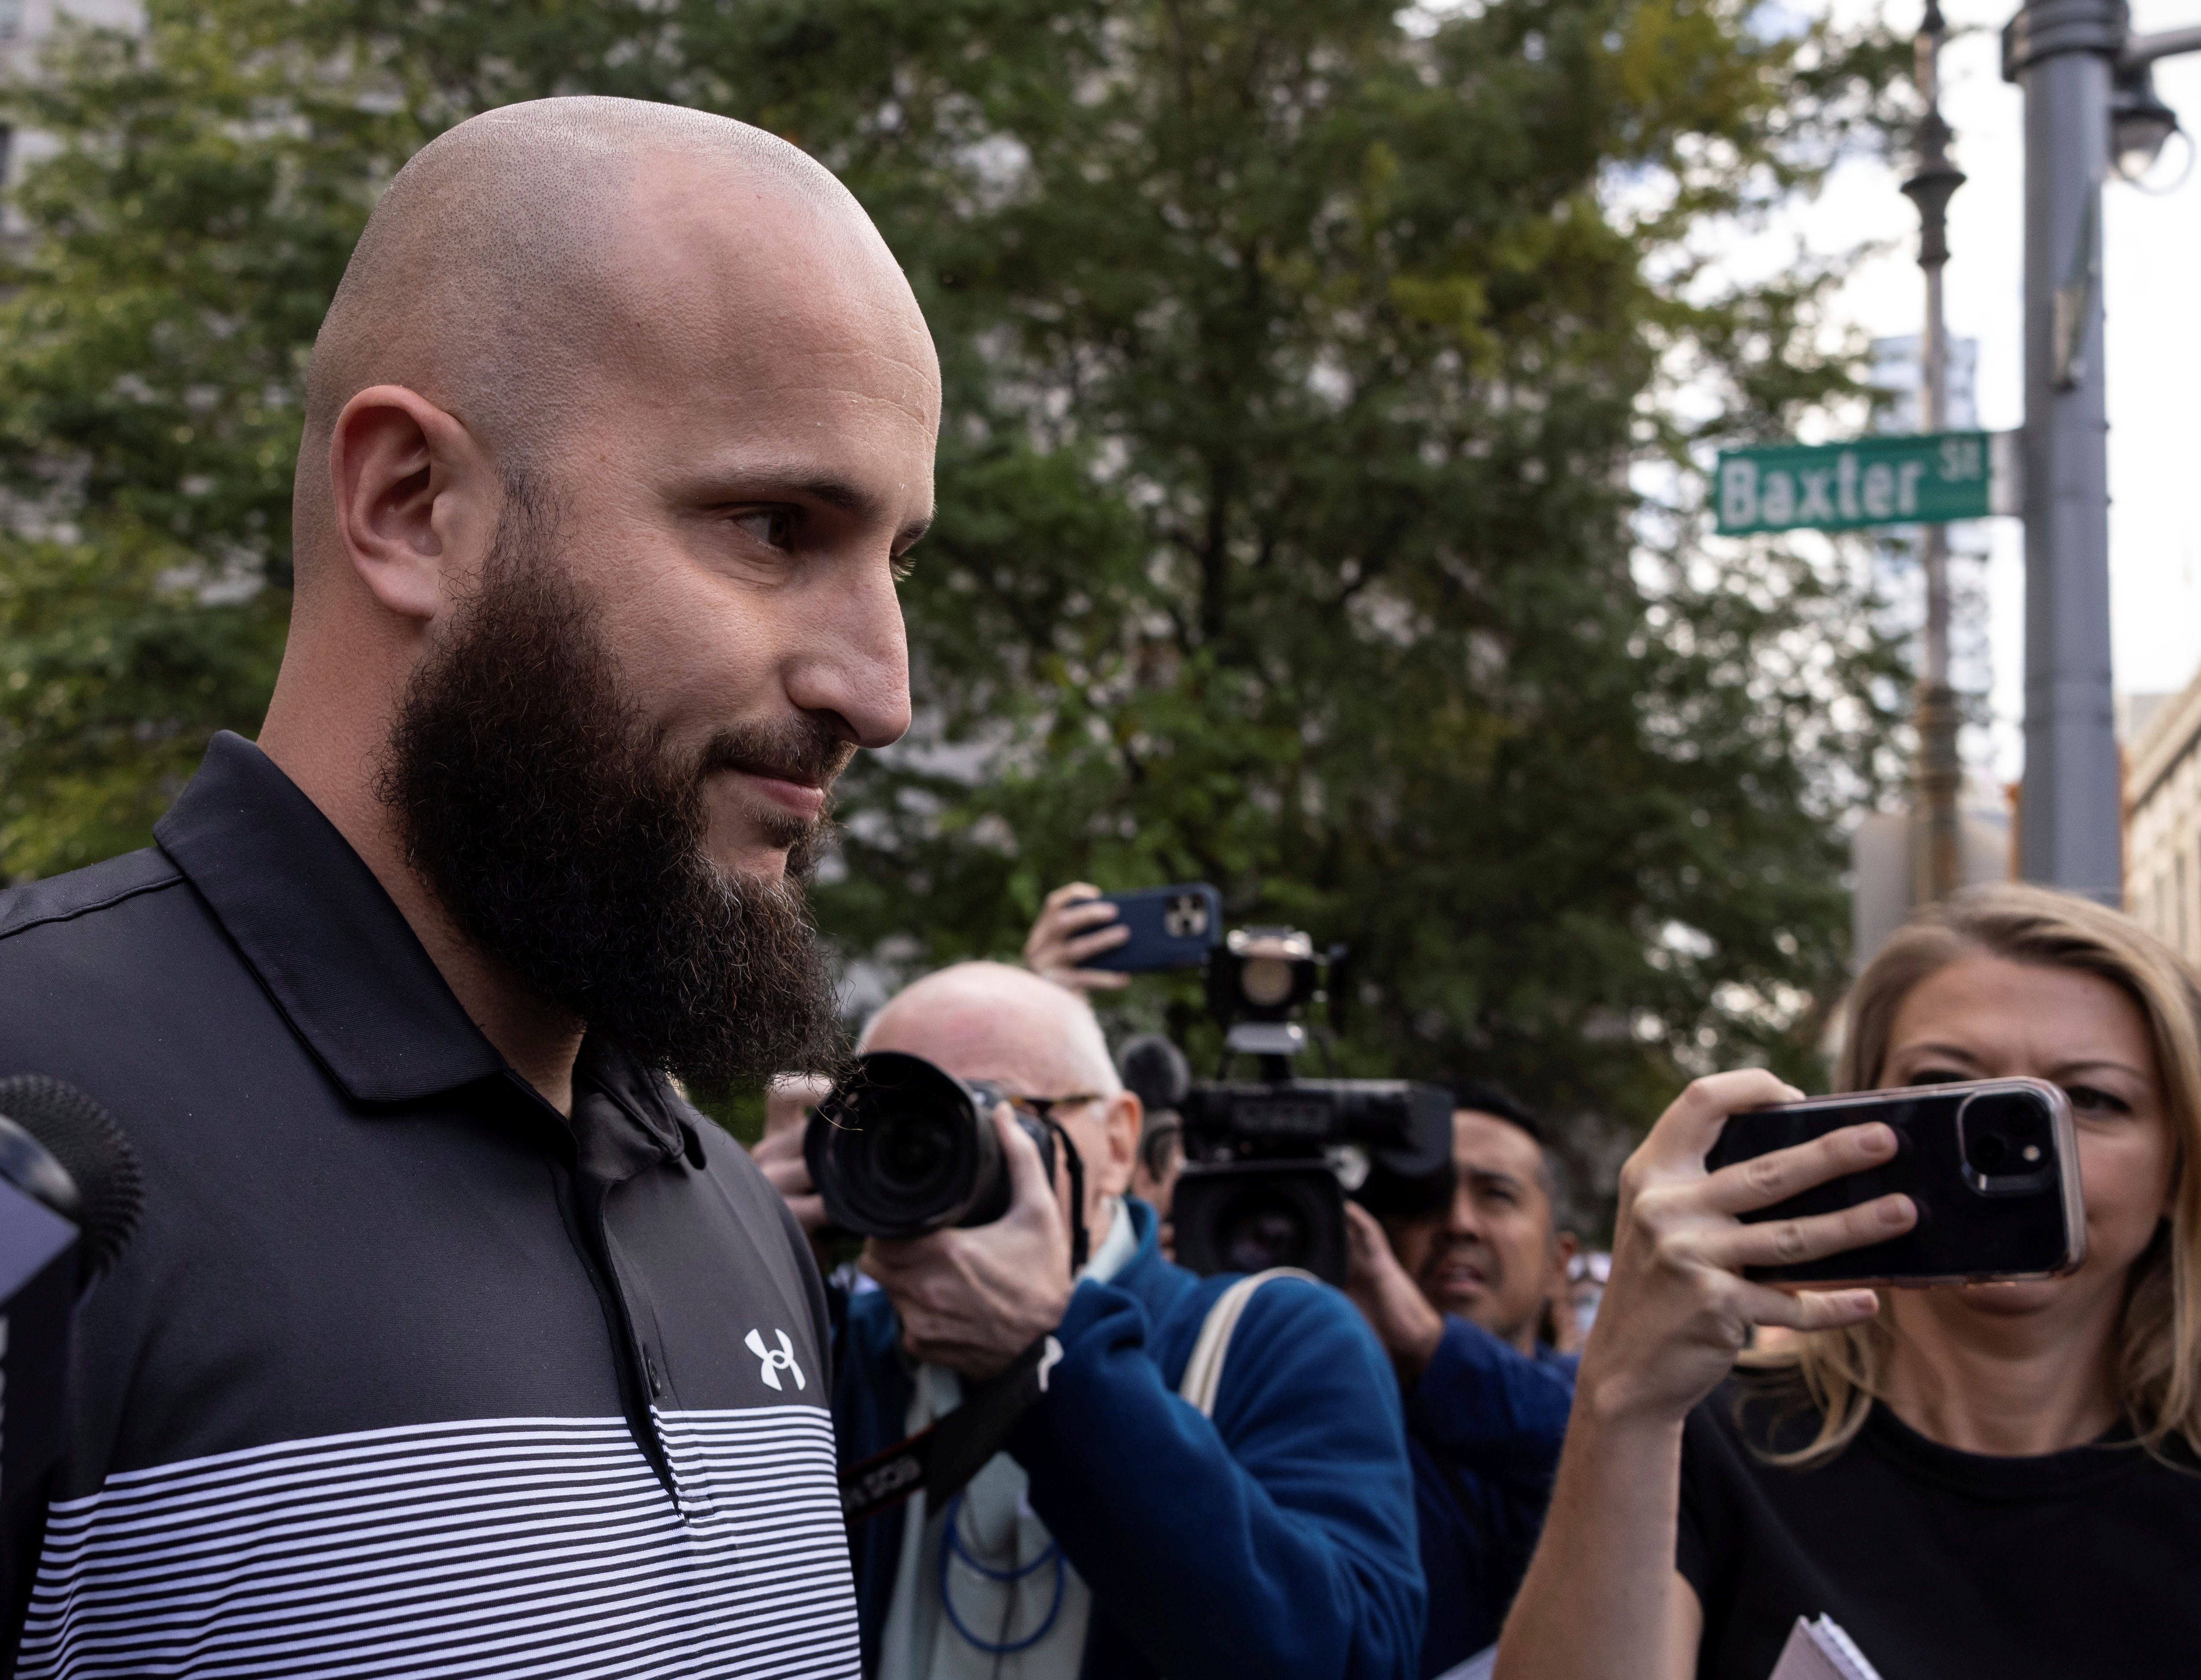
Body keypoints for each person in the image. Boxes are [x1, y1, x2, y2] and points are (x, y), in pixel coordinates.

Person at [0, 97, 936, 1675]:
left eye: (897, 557)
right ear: (412, 508)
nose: (882, 688)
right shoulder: (33, 1109)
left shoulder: (731, 1214)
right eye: (777, 527)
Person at [1499, 883, 2201, 1680]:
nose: (2018, 1152)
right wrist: (1623, 1401)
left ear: (2180, 1168)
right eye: (1946, 1085)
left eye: (2092, 1099)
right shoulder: (1705, 1440)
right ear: (1854, 1125)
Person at [755, 961, 1425, 1679]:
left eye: (989, 1109)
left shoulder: (1277, 1337)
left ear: (1117, 1144)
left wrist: (1055, 1360)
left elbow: (1357, 1658)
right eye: (891, 1119)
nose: (936, 1146)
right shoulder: (833, 1352)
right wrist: (745, 1273)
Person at [1345, 1083, 1580, 1677]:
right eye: (1428, 1197)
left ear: (1560, 1263)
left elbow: (1606, 1446)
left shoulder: (1603, 1403)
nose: (1458, 1224)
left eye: (1496, 1196)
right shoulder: (1338, 1412)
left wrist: (1430, 1345)